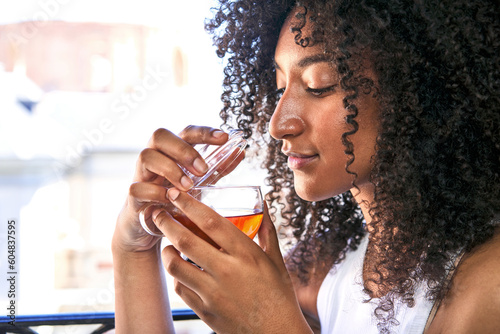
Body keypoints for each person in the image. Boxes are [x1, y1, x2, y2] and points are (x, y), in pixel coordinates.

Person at [112, 0, 500, 333]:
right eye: (280, 89)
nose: (278, 124)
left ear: (418, 91)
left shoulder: (487, 280)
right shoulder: (323, 267)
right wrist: (133, 248)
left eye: (319, 85)